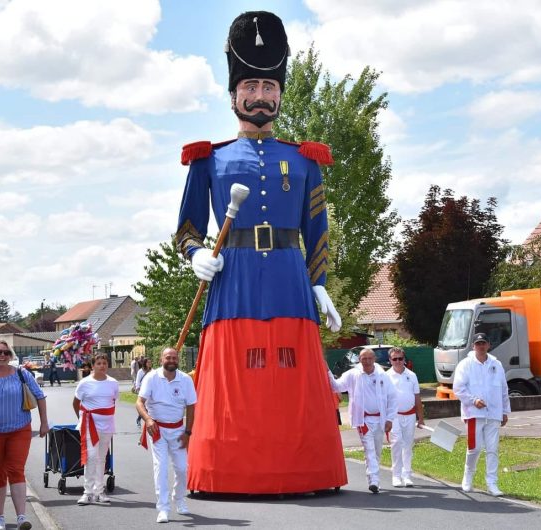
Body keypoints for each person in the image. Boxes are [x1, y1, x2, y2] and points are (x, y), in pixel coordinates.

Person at [176, 10, 346, 494]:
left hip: (291, 282)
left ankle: (304, 472)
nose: (261, 96)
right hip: (235, 281)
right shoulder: (209, 158)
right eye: (251, 85)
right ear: (234, 95)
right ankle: (226, 473)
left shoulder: (304, 158)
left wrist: (320, 284)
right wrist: (195, 256)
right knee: (238, 383)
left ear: (279, 94)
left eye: (270, 87)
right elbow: (186, 229)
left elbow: (317, 231)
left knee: (291, 381)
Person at [0, 340, 49, 530]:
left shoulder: (21, 373)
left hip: (19, 430)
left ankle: (21, 517)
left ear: (11, 355)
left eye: (5, 352)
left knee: (16, 470)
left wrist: (44, 422)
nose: (2, 356)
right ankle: (0, 519)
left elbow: (39, 396)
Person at [136, 348, 196, 523]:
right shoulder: (151, 377)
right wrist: (147, 420)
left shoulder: (185, 379)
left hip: (178, 430)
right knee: (161, 467)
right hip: (157, 430)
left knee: (182, 468)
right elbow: (140, 402)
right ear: (161, 359)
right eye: (168, 357)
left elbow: (191, 406)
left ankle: (179, 499)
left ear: (178, 360)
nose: (171, 360)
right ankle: (163, 508)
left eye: (174, 357)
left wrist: (188, 432)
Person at [328, 348, 397, 493]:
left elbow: (392, 398)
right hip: (363, 419)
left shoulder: (382, 375)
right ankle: (374, 481)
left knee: (377, 450)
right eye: (363, 359)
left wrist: (390, 419)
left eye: (369, 358)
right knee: (369, 449)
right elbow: (336, 386)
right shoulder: (353, 374)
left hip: (380, 419)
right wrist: (327, 371)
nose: (366, 361)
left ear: (374, 359)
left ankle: (373, 477)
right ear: (359, 360)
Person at [452, 332, 510, 497]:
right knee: (474, 448)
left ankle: (492, 482)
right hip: (473, 413)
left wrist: (505, 410)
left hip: (493, 413)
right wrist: (473, 400)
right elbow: (458, 388)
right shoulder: (465, 364)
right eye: (478, 344)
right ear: (473, 346)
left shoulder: (496, 364)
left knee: (492, 449)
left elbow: (504, 389)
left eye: (483, 343)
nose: (481, 346)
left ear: (488, 345)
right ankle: (468, 476)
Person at [72, 352, 119, 506]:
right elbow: (76, 402)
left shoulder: (113, 383)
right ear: (92, 366)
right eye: (98, 363)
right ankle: (87, 492)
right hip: (89, 424)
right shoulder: (85, 383)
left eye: (104, 363)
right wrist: (82, 419)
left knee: (101, 458)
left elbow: (112, 401)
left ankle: (99, 491)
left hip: (107, 425)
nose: (102, 366)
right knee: (91, 457)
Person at [385, 346, 425, 488]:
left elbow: (417, 398)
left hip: (410, 415)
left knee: (408, 445)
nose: (397, 361)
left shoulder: (412, 375)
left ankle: (407, 474)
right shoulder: (386, 376)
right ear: (390, 360)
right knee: (396, 443)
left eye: (400, 358)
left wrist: (420, 418)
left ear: (404, 359)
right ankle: (396, 475)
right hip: (393, 416)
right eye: (394, 359)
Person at [134, 358, 152, 428]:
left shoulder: (152, 371)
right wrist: (138, 388)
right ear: (145, 363)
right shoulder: (140, 371)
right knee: (143, 407)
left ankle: (145, 420)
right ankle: (140, 419)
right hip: (142, 391)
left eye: (150, 362)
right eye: (148, 362)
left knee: (147, 407)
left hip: (150, 391)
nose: (150, 364)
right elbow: (137, 381)